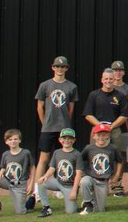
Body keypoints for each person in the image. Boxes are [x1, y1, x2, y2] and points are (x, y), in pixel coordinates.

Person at [34, 56, 79, 197]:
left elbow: (71, 109)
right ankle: (37, 190)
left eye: (63, 67)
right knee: (43, 159)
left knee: (63, 158)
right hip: (48, 128)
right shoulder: (45, 85)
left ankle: (59, 188)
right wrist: (45, 123)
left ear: (67, 68)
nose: (60, 69)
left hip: (64, 129)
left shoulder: (72, 86)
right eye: (57, 66)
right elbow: (39, 107)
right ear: (53, 67)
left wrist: (66, 124)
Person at [34, 128, 81, 217]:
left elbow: (78, 174)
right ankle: (46, 208)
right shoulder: (57, 152)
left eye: (69, 138)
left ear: (73, 140)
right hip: (58, 182)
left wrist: (74, 190)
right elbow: (52, 168)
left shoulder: (77, 154)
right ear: (60, 140)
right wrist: (45, 176)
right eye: (64, 138)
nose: (67, 140)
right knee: (41, 182)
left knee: (71, 212)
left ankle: (77, 204)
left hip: (69, 186)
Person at [0, 128, 34, 217]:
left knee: (20, 212)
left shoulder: (25, 153)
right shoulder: (5, 154)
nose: (13, 141)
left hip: (20, 185)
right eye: (10, 139)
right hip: (8, 181)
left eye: (15, 139)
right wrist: (0, 172)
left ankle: (31, 200)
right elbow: (4, 167)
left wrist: (31, 184)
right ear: (6, 142)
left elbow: (32, 167)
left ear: (20, 140)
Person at [78, 123, 118, 215]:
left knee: (100, 210)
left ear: (108, 136)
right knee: (84, 181)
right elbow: (80, 160)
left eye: (104, 135)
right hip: (91, 177)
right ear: (94, 136)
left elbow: (119, 161)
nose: (101, 137)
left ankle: (92, 201)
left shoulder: (112, 148)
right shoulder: (89, 148)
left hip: (103, 181)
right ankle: (87, 203)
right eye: (99, 135)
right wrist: (82, 173)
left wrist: (116, 176)